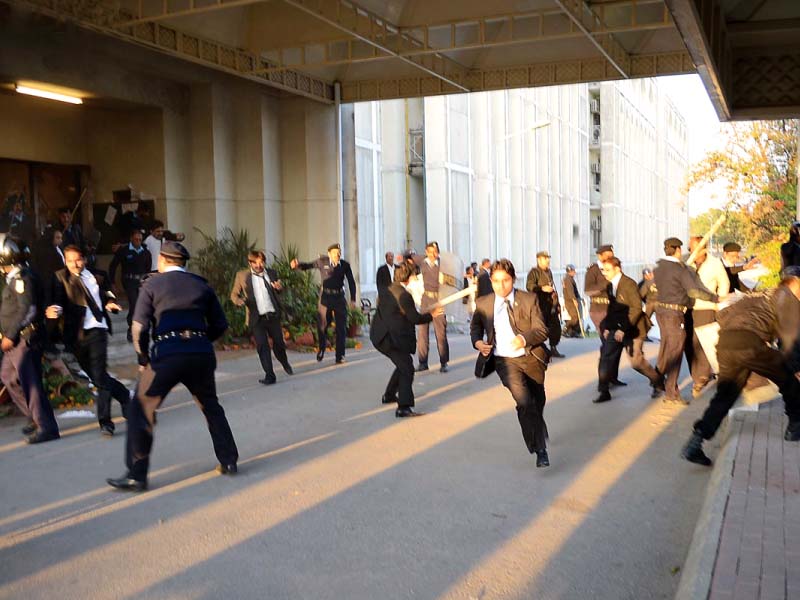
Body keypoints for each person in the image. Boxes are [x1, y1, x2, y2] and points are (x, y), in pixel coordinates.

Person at [107, 241, 239, 492]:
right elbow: (221, 325)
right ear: (183, 262)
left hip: (168, 354)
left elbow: (138, 329)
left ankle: (137, 474)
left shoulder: (151, 284)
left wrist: (143, 359)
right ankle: (229, 460)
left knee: (140, 407)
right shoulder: (202, 285)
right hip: (201, 353)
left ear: (162, 261)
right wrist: (199, 340)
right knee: (210, 406)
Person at [682, 268, 800, 466]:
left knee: (725, 395)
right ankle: (795, 426)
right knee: (788, 379)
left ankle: (697, 440)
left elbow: (724, 314)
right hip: (749, 344)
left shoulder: (758, 295)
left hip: (725, 344)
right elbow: (792, 338)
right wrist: (795, 366)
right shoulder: (786, 297)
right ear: (794, 285)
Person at [471, 259, 552, 467]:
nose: (501, 285)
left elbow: (542, 330)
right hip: (504, 361)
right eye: (496, 281)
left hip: (531, 357)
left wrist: (524, 338)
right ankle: (540, 450)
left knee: (537, 400)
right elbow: (476, 328)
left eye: (505, 280)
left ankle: (536, 425)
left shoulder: (529, 299)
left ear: (513, 279)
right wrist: (478, 342)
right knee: (524, 401)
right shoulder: (483, 303)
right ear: (491, 280)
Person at [47, 245, 130, 436]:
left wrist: (110, 303)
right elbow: (57, 299)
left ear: (84, 259)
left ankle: (105, 422)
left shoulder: (98, 275)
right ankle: (125, 397)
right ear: (65, 261)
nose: (75, 264)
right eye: (70, 260)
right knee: (96, 377)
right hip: (76, 334)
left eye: (78, 259)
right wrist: (54, 310)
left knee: (100, 375)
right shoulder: (60, 278)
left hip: (98, 330)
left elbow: (108, 293)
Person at [0, 235, 60, 444]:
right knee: (8, 377)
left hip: (24, 339)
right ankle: (36, 416)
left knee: (31, 384)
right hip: (15, 340)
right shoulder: (15, 277)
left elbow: (28, 309)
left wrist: (10, 334)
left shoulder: (21, 278)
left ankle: (46, 427)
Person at [370, 262, 444, 417]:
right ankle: (403, 407)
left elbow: (401, 313)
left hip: (380, 335)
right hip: (389, 338)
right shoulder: (404, 295)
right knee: (407, 368)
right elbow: (414, 318)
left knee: (403, 364)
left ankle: (389, 396)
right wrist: (432, 314)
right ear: (409, 278)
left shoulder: (388, 289)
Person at [653, 238, 720, 404]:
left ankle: (658, 381)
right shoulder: (680, 269)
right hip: (675, 314)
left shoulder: (658, 267)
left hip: (661, 312)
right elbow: (694, 291)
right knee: (675, 352)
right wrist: (715, 298)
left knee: (667, 349)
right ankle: (670, 393)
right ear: (677, 250)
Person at [593, 257, 664, 403]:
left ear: (617, 269)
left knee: (636, 362)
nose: (604, 273)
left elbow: (636, 308)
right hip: (615, 328)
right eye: (602, 270)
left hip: (633, 328)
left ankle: (658, 381)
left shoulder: (629, 284)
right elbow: (612, 309)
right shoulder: (609, 285)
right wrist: (607, 327)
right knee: (606, 356)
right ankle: (604, 391)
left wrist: (623, 329)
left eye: (607, 270)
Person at [231, 250, 293, 385]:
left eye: (261, 262)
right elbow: (234, 294)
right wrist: (239, 301)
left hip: (272, 315)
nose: (259, 265)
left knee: (279, 344)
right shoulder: (242, 276)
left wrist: (279, 288)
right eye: (256, 263)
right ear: (250, 263)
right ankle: (270, 375)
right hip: (256, 317)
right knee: (262, 346)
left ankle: (284, 361)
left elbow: (278, 290)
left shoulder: (271, 273)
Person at [291, 243, 357, 364]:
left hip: (339, 298)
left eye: (339, 253)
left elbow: (351, 282)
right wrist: (298, 264)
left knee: (341, 328)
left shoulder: (345, 265)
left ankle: (340, 356)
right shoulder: (322, 261)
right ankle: (321, 348)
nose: (337, 255)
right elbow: (308, 266)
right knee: (322, 326)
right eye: (334, 253)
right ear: (329, 254)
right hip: (325, 298)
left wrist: (353, 299)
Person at [685, 237, 729, 397]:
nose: (693, 252)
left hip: (706, 308)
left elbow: (724, 282)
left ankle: (702, 377)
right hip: (687, 309)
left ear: (704, 248)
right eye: (691, 249)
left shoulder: (715, 263)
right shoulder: (686, 263)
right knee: (689, 344)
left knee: (703, 343)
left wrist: (720, 301)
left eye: (696, 248)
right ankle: (696, 375)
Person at [411, 242, 450, 373]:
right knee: (422, 333)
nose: (433, 254)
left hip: (439, 300)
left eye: (435, 251)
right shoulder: (422, 262)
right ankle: (423, 362)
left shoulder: (443, 265)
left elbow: (451, 282)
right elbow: (409, 256)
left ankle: (444, 362)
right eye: (430, 251)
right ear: (426, 251)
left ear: (438, 252)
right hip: (425, 301)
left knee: (441, 333)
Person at [108, 230, 152, 342]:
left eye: (140, 240)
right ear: (131, 239)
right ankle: (131, 328)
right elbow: (113, 266)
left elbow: (148, 269)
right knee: (134, 302)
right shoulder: (124, 251)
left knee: (141, 304)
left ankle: (139, 327)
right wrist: (112, 283)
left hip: (141, 282)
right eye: (136, 239)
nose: (138, 242)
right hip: (128, 281)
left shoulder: (146, 252)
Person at [526, 251, 564, 357]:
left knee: (555, 327)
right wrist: (542, 288)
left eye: (548, 259)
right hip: (540, 304)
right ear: (539, 260)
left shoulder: (549, 272)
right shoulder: (534, 272)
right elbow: (529, 286)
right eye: (545, 258)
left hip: (551, 304)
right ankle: (537, 349)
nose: (548, 261)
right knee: (540, 327)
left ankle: (553, 347)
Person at [562, 264, 582, 338]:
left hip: (571, 300)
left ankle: (574, 332)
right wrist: (574, 300)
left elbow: (575, 291)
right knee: (575, 317)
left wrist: (579, 298)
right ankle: (565, 329)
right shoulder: (568, 279)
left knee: (577, 317)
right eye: (573, 271)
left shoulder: (570, 279)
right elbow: (570, 291)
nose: (574, 272)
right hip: (570, 301)